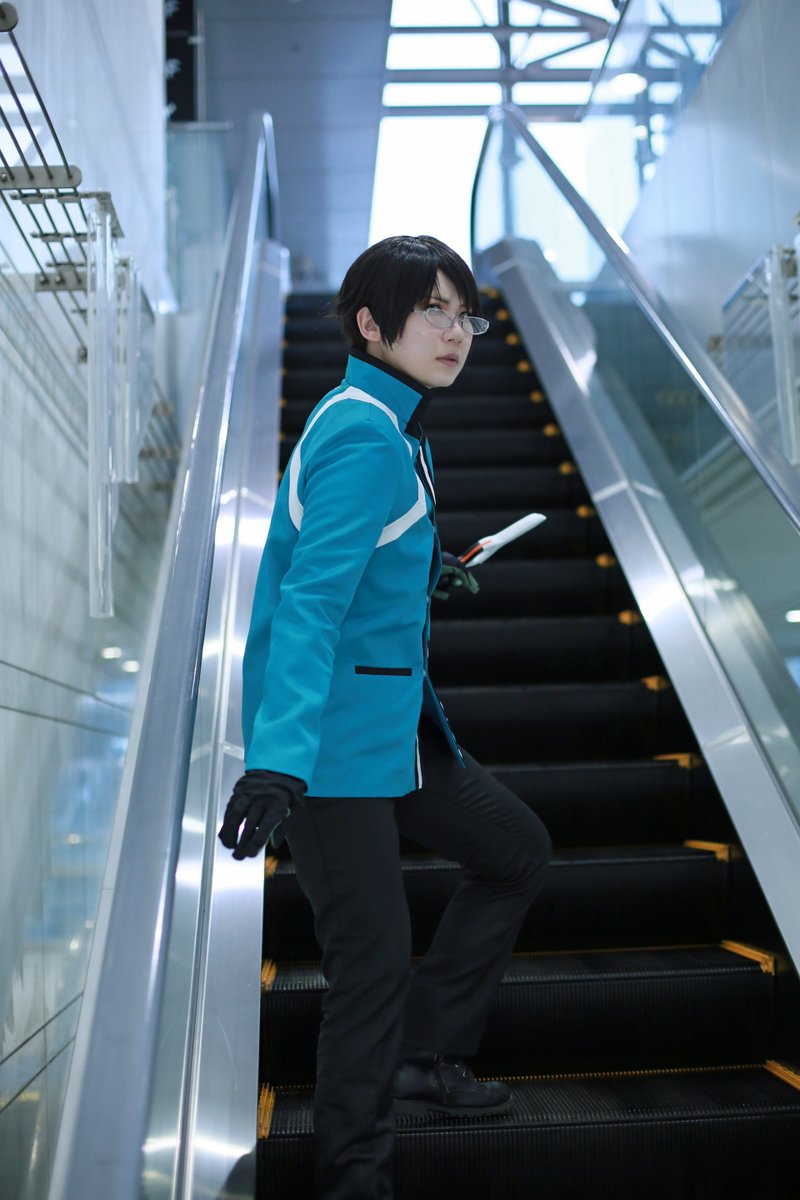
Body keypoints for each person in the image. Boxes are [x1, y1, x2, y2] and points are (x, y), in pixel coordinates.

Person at [219, 234, 551, 1200]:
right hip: (330, 749)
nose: (456, 333)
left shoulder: (386, 423)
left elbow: (353, 564)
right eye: (432, 311)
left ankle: (424, 1051)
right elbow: (310, 604)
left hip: (391, 733)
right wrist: (278, 760)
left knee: (515, 851)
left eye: (465, 314)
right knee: (368, 965)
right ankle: (353, 1178)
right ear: (371, 323)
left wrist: (423, 570)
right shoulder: (366, 436)